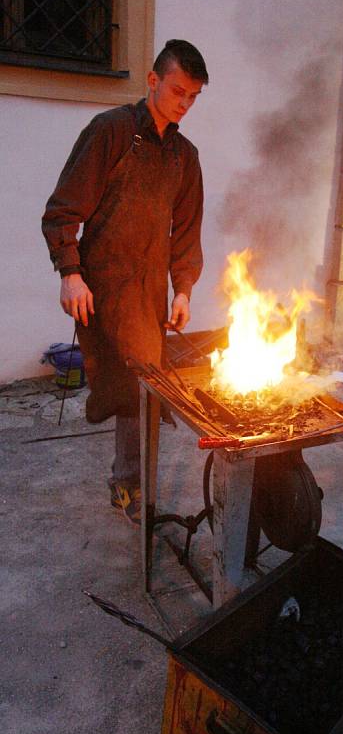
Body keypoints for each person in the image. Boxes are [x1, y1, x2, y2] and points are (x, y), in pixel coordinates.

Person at [42, 40, 208, 524]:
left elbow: (187, 229)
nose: (184, 103)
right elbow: (62, 211)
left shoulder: (184, 156)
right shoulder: (110, 132)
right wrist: (70, 274)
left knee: (144, 387)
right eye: (178, 91)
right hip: (103, 285)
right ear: (153, 81)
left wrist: (183, 288)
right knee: (131, 385)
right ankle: (130, 487)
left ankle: (131, 482)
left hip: (149, 290)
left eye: (193, 96)